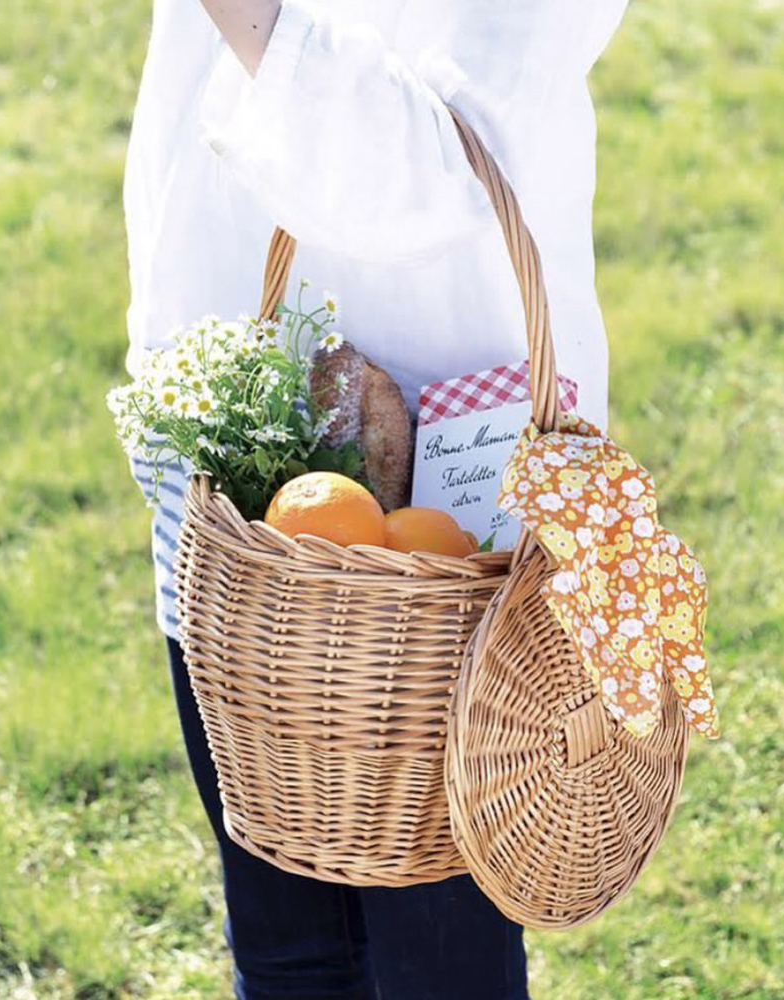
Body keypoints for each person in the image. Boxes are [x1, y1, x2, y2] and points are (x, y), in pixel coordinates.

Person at [122, 1, 629, 997]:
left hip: (454, 483)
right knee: (286, 940)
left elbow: (439, 168)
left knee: (437, 956)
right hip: (237, 416)